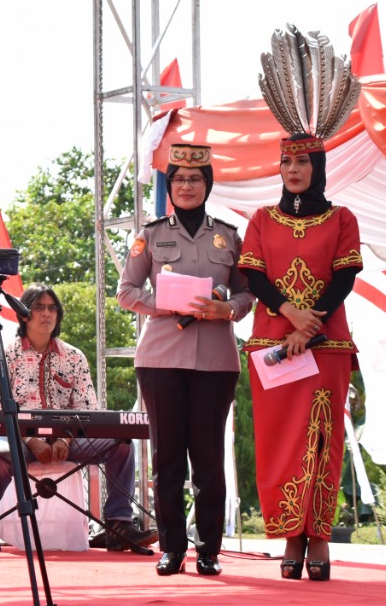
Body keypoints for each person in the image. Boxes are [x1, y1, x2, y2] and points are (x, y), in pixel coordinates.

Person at [116, 143, 253, 577]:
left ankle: (209, 549)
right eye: (179, 179)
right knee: (168, 456)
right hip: (161, 357)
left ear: (207, 185)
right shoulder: (151, 235)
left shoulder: (230, 236)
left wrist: (228, 309)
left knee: (209, 459)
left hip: (215, 359)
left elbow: (249, 293)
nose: (188, 185)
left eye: (196, 179)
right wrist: (165, 303)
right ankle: (172, 547)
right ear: (170, 187)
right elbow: (125, 292)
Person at [238, 132, 360, 582]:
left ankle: (320, 535)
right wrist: (291, 315)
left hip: (327, 344)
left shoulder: (342, 218)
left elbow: (345, 277)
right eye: (286, 162)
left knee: (323, 441)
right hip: (273, 343)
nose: (292, 170)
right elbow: (253, 274)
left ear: (318, 168)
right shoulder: (262, 219)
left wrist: (312, 325)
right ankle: (292, 536)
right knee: (281, 441)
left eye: (302, 163)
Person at [0, 284, 158, 553]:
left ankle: (118, 524)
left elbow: (88, 409)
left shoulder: (74, 357)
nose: (47, 313)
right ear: (24, 315)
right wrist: (31, 441)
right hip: (19, 439)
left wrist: (64, 438)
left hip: (68, 440)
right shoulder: (7, 355)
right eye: (39, 307)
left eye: (52, 308)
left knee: (122, 444)